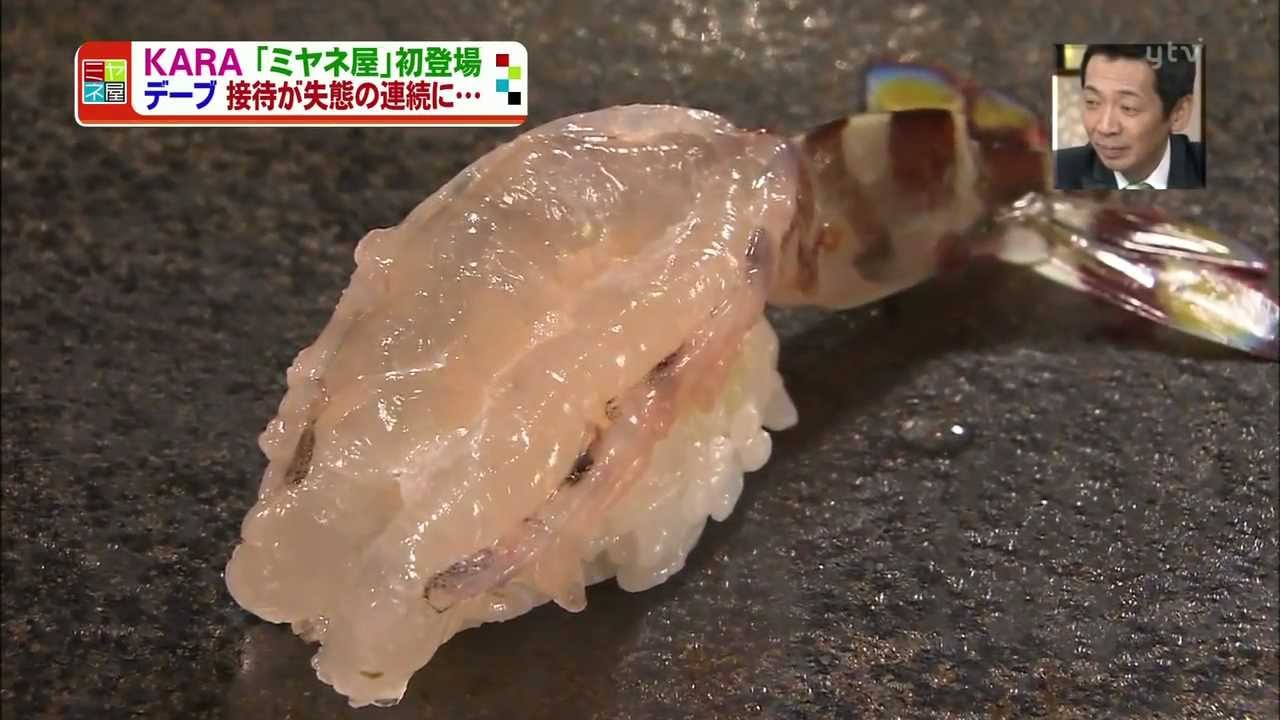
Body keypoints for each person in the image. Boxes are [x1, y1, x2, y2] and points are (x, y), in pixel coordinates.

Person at [1055, 44, 1204, 190]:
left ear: (1179, 113)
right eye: (1092, 102)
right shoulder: (1057, 173)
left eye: (1128, 107)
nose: (1105, 128)